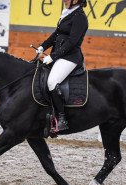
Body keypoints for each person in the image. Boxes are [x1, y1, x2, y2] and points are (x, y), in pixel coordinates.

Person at [36, 0, 88, 131]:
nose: (64, 0)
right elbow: (56, 34)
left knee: (52, 82)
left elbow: (72, 41)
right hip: (59, 55)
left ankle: (62, 118)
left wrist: (53, 56)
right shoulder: (68, 13)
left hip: (70, 57)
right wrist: (43, 46)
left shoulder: (80, 17)